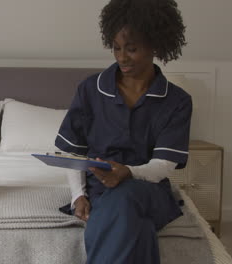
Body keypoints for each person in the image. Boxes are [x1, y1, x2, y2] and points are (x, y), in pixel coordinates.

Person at [55, 0, 190, 263]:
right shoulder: (90, 89)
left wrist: (128, 173)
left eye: (132, 49)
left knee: (125, 195)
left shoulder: (177, 100)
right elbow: (73, 151)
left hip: (149, 190)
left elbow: (163, 164)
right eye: (116, 48)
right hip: (99, 189)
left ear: (155, 46)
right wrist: (78, 195)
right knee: (139, 229)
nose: (121, 57)